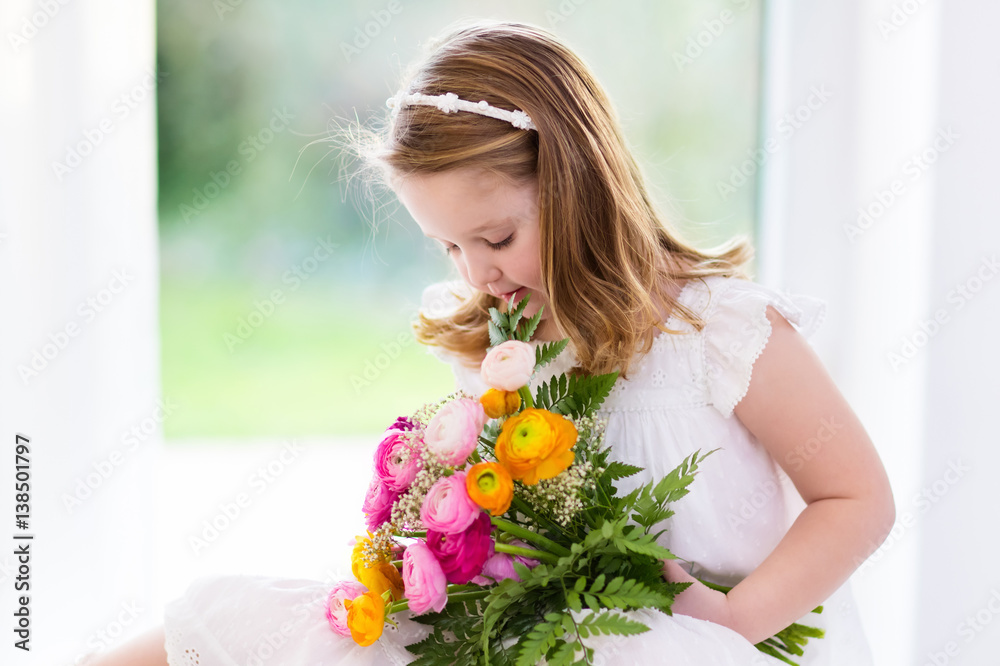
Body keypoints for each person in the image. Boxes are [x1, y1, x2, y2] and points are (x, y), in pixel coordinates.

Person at [89, 19, 894, 666]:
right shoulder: (498, 340)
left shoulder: (717, 329)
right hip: (534, 639)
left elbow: (858, 499)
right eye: (449, 248)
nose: (478, 273)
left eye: (497, 236)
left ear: (576, 181)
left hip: (703, 640)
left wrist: (729, 623)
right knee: (246, 621)